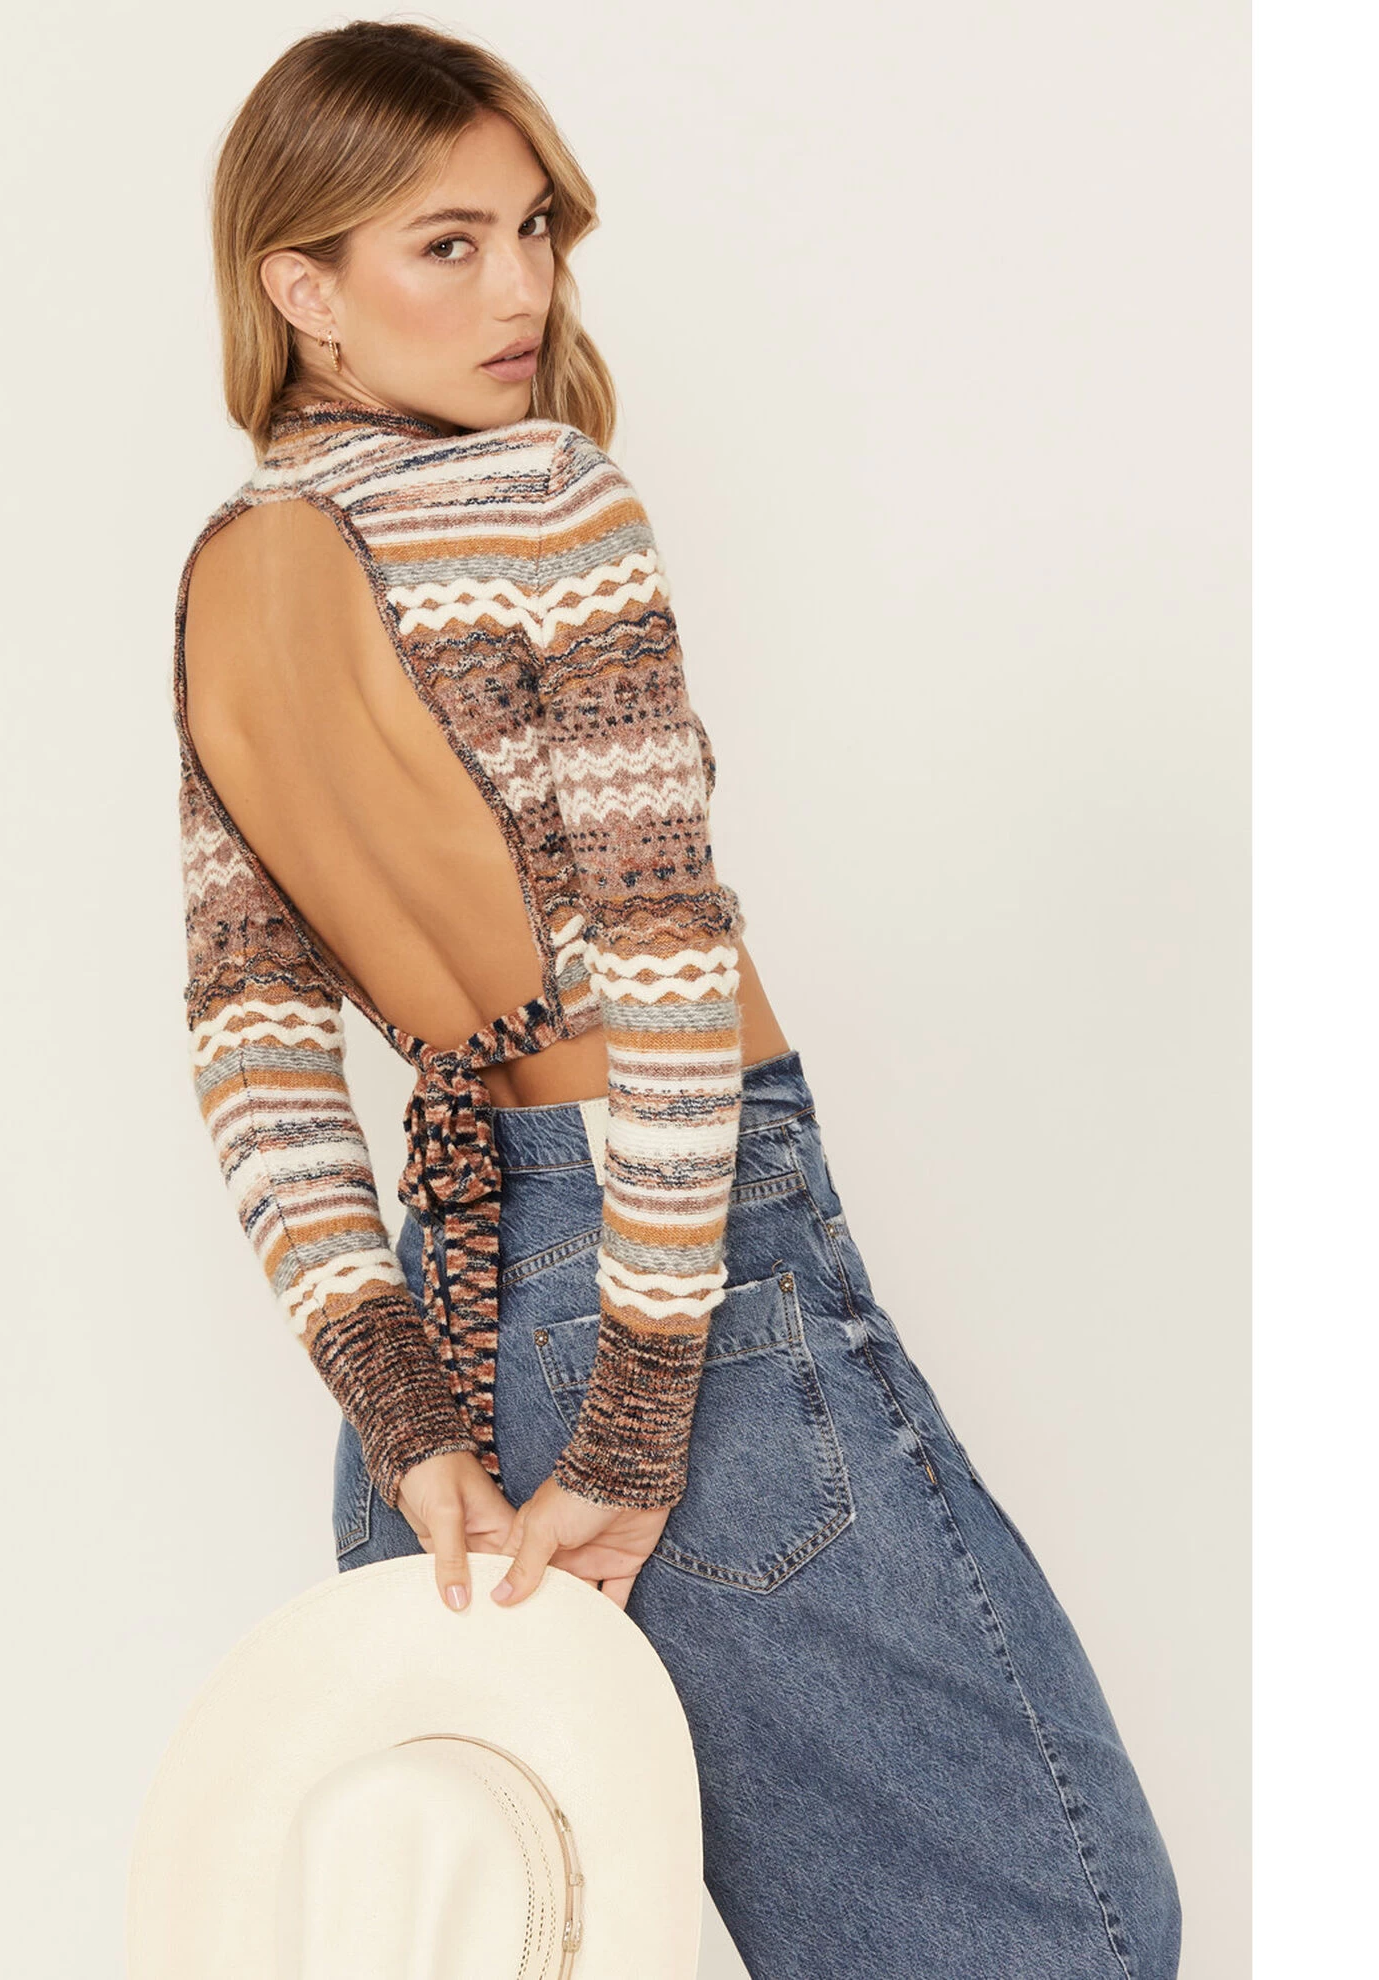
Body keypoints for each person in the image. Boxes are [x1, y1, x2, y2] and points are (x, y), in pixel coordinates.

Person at [173, 21, 1184, 1977]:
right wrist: (638, 1416)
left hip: (446, 1316)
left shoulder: (226, 576)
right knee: (1066, 1919)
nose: (523, 290)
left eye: (535, 229)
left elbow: (254, 1050)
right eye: (446, 244)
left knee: (551, 1925)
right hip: (675, 1273)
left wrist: (401, 1411)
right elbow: (659, 959)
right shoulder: (549, 497)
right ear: (301, 286)